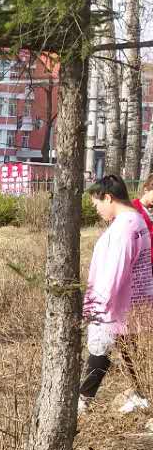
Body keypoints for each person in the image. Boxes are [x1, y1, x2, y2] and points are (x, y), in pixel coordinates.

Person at [80, 174, 153, 413]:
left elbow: (114, 272)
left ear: (108, 198)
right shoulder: (136, 221)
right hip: (134, 302)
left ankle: (82, 401)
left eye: (97, 203)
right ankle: (141, 394)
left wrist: (97, 308)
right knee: (130, 351)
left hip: (118, 303)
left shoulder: (125, 227)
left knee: (101, 351)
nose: (96, 209)